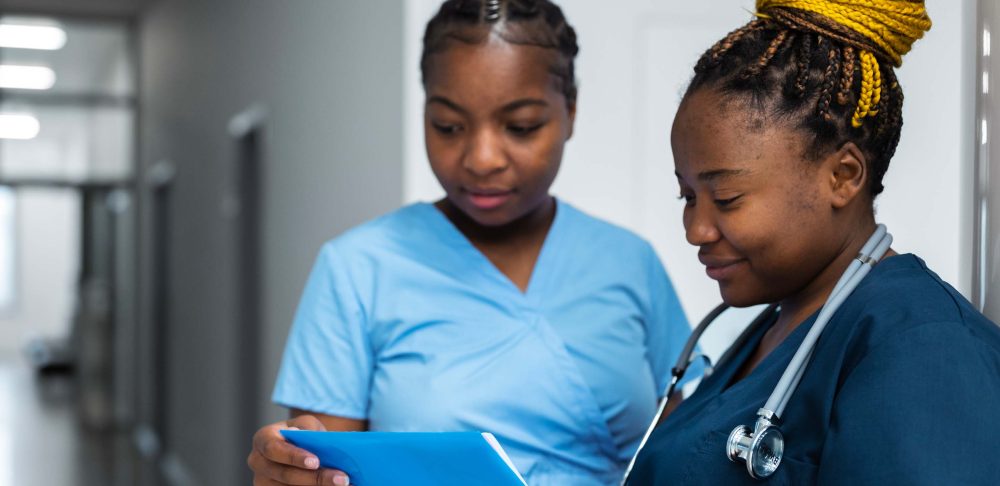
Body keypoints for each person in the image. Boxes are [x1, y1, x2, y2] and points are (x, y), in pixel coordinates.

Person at [247, 1, 698, 485]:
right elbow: (330, 470)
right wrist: (292, 472)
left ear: (570, 108)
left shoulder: (630, 263)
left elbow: (681, 459)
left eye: (520, 126)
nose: (482, 159)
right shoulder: (357, 268)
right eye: (449, 126)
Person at [627, 0, 1000, 484]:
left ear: (843, 176)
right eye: (689, 196)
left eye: (727, 197)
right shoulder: (777, 328)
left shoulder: (927, 349)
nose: (695, 229)